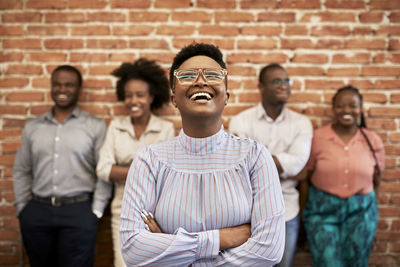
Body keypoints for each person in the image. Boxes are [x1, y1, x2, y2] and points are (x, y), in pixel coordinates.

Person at [120, 43, 285, 266]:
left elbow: (269, 249)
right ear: (174, 99)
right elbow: (133, 249)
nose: (200, 81)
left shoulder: (254, 156)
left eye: (213, 75)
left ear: (226, 95)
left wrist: (171, 247)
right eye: (187, 75)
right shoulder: (149, 160)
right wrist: (221, 238)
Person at [13, 65, 112, 267]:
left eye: (69, 85)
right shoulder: (33, 127)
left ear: (78, 89)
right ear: (51, 87)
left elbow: (103, 170)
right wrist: (24, 209)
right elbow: (22, 170)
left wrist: (96, 212)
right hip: (37, 211)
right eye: (57, 84)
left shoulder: (94, 126)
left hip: (79, 211)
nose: (62, 89)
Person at [229, 63, 313, 267]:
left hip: (287, 212)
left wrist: (256, 158)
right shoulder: (240, 121)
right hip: (248, 215)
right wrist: (285, 166)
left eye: (287, 81)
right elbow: (239, 167)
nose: (284, 85)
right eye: (277, 81)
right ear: (260, 87)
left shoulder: (301, 123)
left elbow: (298, 163)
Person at [96, 58, 175, 267]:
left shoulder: (165, 129)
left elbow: (166, 174)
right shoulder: (115, 126)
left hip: (157, 212)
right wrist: (144, 170)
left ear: (151, 97)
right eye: (129, 95)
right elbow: (103, 169)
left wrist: (121, 170)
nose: (133, 100)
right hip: (122, 209)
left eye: (140, 95)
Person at [302, 85, 385, 267]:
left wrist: (371, 215)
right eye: (341, 106)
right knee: (327, 262)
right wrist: (303, 218)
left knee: (358, 262)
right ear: (333, 109)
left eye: (352, 106)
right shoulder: (317, 137)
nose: (347, 110)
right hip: (322, 212)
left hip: (362, 213)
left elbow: (377, 181)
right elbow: (305, 180)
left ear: (360, 109)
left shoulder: (372, 140)